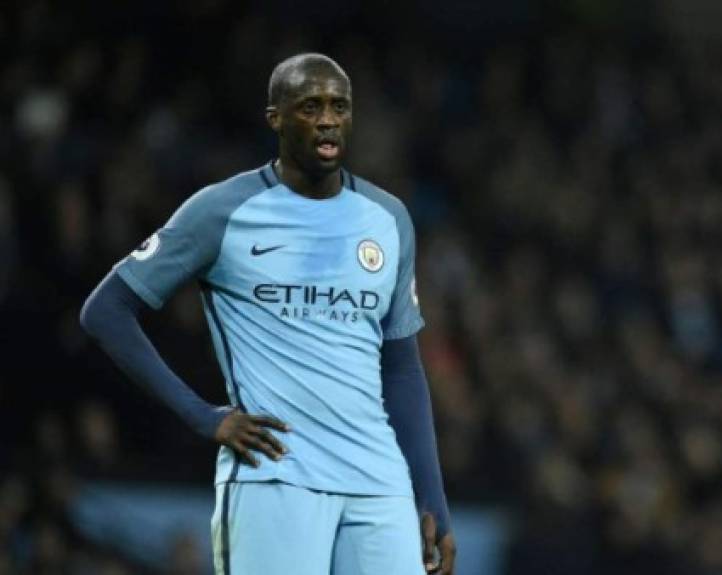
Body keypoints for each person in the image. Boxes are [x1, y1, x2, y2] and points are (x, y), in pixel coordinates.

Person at [80, 53, 455, 575]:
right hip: (275, 476)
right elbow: (107, 311)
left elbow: (402, 367)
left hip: (379, 483)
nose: (327, 119)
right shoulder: (222, 211)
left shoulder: (388, 218)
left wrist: (431, 497)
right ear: (275, 118)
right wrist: (201, 414)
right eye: (310, 106)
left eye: (339, 106)